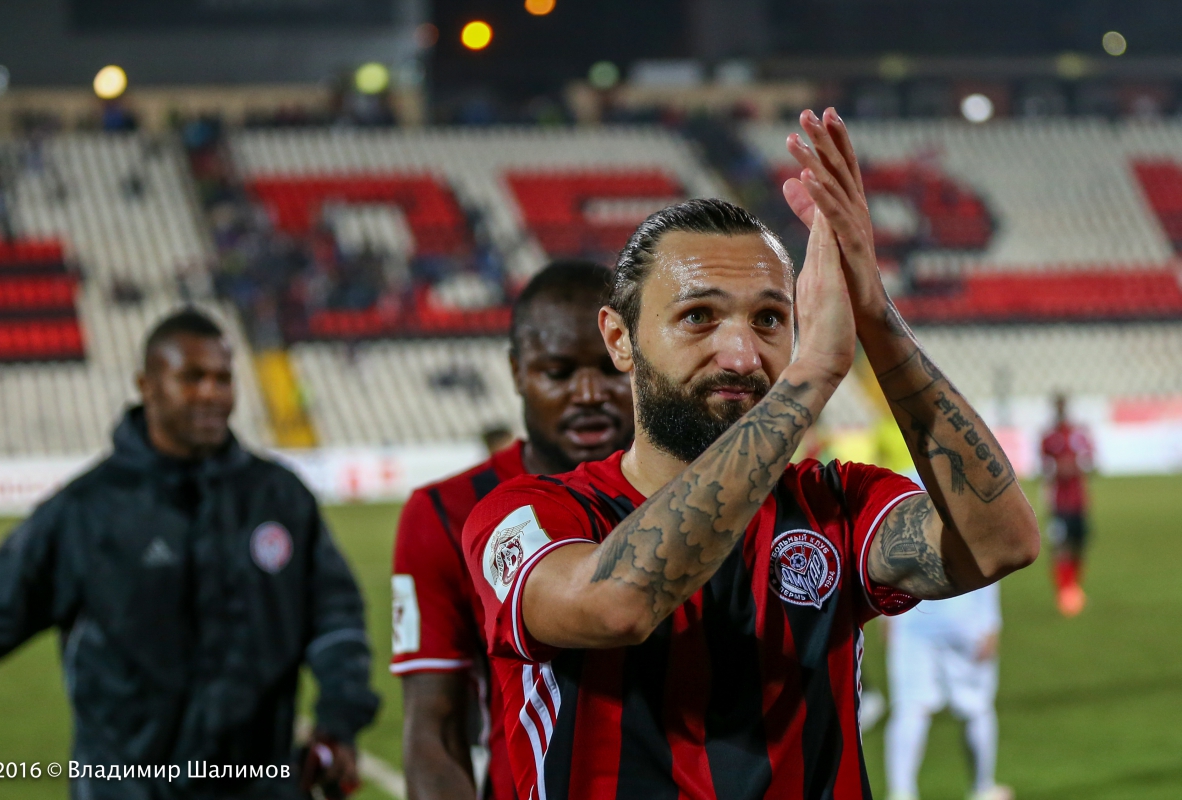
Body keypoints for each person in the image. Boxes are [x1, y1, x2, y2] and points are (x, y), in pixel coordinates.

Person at [462, 109, 1040, 799]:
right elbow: (616, 605)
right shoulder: (529, 514)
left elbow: (1002, 542)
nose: (740, 354)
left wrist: (874, 314)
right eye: (698, 316)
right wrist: (810, 374)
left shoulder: (834, 505)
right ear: (619, 339)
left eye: (770, 319)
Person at [0, 309, 379, 799]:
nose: (211, 393)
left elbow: (335, 614)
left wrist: (339, 719)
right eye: (192, 378)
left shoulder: (279, 497)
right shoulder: (86, 512)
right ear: (146, 386)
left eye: (222, 378)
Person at [391, 262, 635, 800]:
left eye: (610, 368)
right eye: (559, 372)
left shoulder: (697, 494)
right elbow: (434, 728)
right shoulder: (444, 512)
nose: (588, 393)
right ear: (516, 371)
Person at [884, 585, 1011, 800]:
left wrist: (886, 616)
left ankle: (900, 793)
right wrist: (991, 621)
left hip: (911, 620)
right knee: (976, 706)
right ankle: (983, 788)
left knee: (910, 707)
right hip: (964, 618)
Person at [1040, 394, 1094, 616]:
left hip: (1079, 501)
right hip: (1058, 503)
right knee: (1060, 546)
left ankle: (1074, 587)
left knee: (1079, 546)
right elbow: (1043, 468)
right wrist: (1056, 471)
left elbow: (1092, 463)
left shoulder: (1078, 435)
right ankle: (1064, 591)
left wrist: (1078, 467)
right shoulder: (1048, 437)